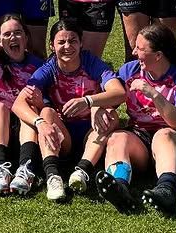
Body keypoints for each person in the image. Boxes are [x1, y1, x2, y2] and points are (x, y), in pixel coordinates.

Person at [10, 20, 121, 202]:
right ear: (52, 46)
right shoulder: (48, 68)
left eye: (73, 41)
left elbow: (119, 92)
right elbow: (18, 104)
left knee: (111, 115)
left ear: (81, 43)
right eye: (61, 42)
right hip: (64, 135)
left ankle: (82, 171)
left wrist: (90, 102)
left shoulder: (91, 63)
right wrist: (40, 123)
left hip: (91, 132)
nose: (67, 46)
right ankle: (53, 176)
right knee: (46, 113)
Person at [94, 24, 176, 216]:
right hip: (141, 139)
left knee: (163, 134)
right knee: (118, 137)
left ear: (158, 55)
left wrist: (153, 94)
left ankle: (167, 190)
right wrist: (101, 109)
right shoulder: (129, 70)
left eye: (140, 49)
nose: (134, 52)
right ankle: (120, 187)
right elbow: (112, 97)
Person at [0, 11, 44, 196]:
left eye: (18, 33)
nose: (13, 37)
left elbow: (48, 103)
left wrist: (40, 103)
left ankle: (26, 169)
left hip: (28, 133)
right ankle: (0, 169)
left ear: (26, 37)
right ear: (0, 42)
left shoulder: (40, 65)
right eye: (7, 34)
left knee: (30, 108)